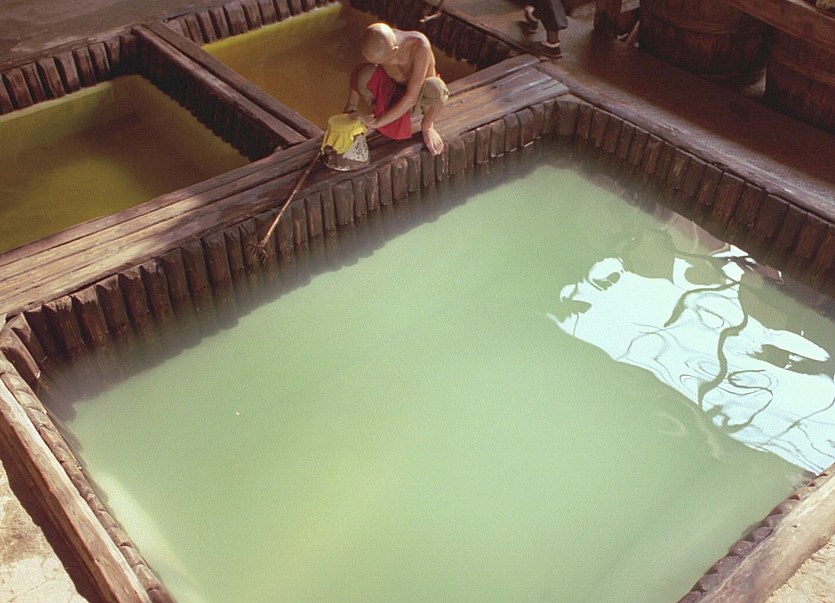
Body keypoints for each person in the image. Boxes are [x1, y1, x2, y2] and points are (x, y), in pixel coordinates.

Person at [344, 23, 449, 156]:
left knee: (436, 87)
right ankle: (380, 113)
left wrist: (376, 122)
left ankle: (428, 126)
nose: (381, 63)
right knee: (364, 74)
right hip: (394, 91)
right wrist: (351, 105)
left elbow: (411, 97)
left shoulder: (419, 46)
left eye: (384, 60)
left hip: (418, 96)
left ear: (394, 50)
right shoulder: (375, 43)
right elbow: (357, 71)